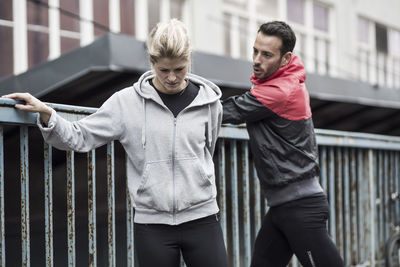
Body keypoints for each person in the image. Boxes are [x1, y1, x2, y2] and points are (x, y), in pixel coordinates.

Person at [3, 19, 228, 267]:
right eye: (164, 70)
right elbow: (80, 136)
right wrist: (47, 114)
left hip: (203, 218)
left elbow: (207, 149)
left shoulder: (209, 103)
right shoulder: (125, 103)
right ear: (152, 63)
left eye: (180, 69)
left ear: (188, 60)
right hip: (152, 225)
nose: (172, 78)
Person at [222, 21, 344, 267]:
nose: (256, 60)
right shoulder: (283, 83)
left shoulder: (280, 90)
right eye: (255, 51)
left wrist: (181, 94)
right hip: (282, 206)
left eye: (266, 55)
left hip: (300, 207)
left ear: (286, 58)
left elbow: (225, 112)